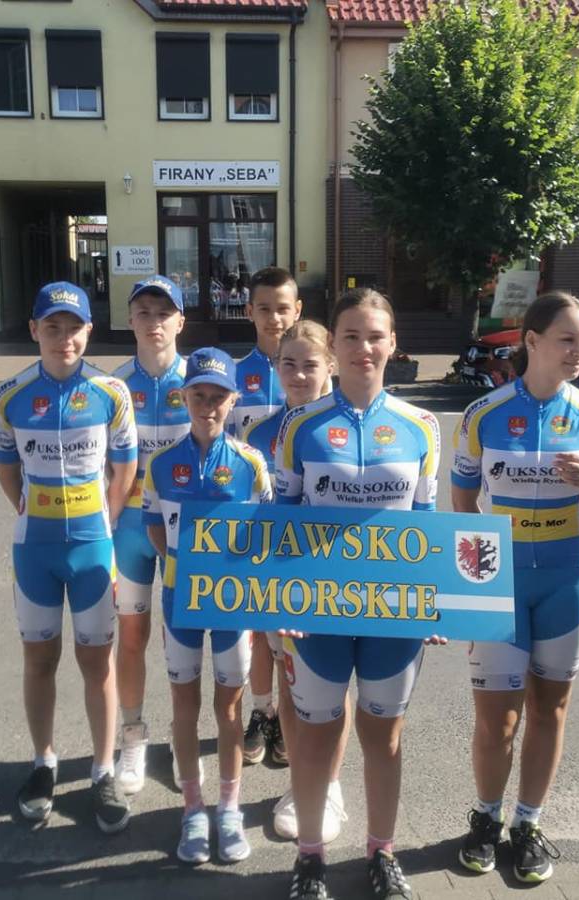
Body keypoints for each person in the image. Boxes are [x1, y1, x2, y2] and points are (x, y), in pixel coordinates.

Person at [451, 291, 579, 883]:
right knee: (497, 720)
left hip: (569, 579)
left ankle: (528, 823)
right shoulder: (483, 414)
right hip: (499, 581)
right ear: (531, 341)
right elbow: (462, 501)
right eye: (568, 340)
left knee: (549, 710)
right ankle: (486, 818)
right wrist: (475, 574)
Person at [275, 288, 441, 900]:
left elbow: (426, 524)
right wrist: (278, 602)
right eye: (351, 336)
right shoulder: (300, 425)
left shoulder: (422, 426)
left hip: (392, 613)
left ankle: (382, 852)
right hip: (317, 611)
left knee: (384, 738)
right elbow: (280, 520)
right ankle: (310, 857)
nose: (363, 348)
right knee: (315, 737)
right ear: (335, 346)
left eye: (375, 336)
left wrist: (434, 602)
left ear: (393, 344)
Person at [0, 281, 137, 833]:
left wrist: (105, 518)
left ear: (89, 331)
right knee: (39, 660)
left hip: (94, 547)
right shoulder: (9, 395)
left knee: (98, 664)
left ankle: (103, 770)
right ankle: (44, 764)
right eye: (52, 327)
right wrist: (35, 510)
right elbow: (8, 472)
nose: (64, 338)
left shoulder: (110, 392)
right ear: (34, 330)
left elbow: (125, 468)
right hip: (36, 548)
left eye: (74, 328)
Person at [143, 347, 272, 865]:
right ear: (183, 396)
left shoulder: (251, 463)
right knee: (184, 704)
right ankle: (193, 808)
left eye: (219, 396)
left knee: (230, 707)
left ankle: (229, 807)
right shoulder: (161, 463)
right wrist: (182, 568)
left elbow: (267, 533)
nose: (208, 405)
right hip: (180, 602)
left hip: (232, 606)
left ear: (234, 400)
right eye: (198, 394)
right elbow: (155, 528)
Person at [243, 321, 350, 844]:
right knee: (290, 681)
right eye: (289, 364)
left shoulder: (350, 424)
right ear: (275, 366)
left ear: (332, 365)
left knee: (335, 684)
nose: (300, 374)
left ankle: (330, 786)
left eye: (311, 364)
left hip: (341, 578)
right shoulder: (257, 435)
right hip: (281, 578)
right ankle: (299, 784)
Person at [112, 276, 190, 795]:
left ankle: (184, 739)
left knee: (185, 638)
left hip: (186, 532)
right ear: (130, 320)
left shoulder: (202, 380)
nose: (153, 322)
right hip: (130, 531)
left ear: (180, 321)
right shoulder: (114, 385)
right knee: (132, 636)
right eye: (143, 312)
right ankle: (133, 736)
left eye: (164, 313)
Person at [233, 266, 302, 770]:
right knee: (257, 628)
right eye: (264, 308)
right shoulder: (234, 376)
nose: (274, 318)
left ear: (298, 310)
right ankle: (262, 713)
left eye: (283, 308)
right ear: (249, 312)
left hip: (303, 527)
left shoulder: (313, 368)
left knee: (294, 632)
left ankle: (293, 716)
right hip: (253, 521)